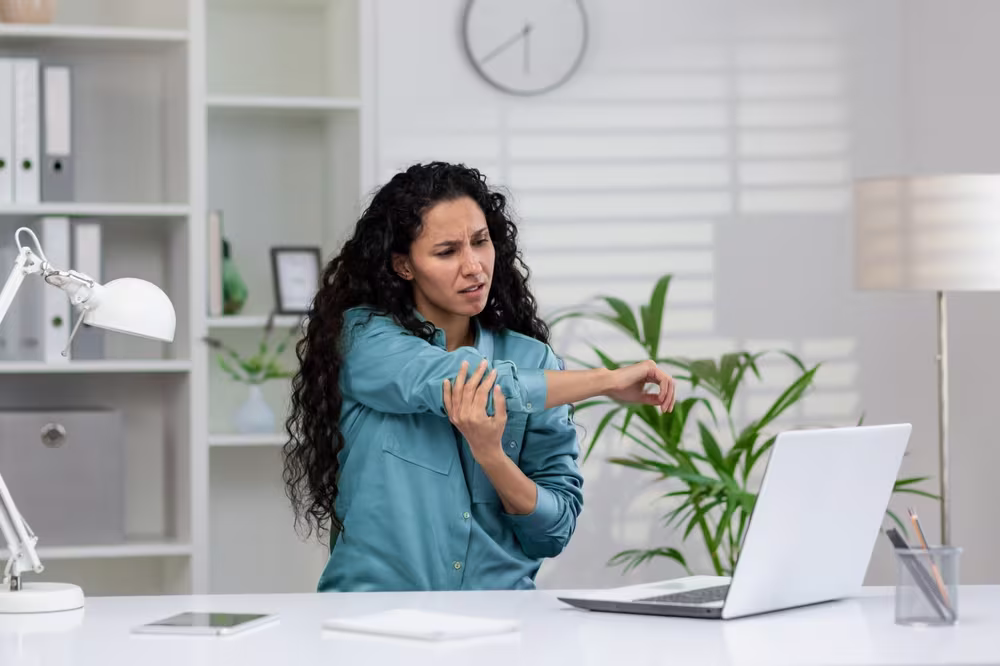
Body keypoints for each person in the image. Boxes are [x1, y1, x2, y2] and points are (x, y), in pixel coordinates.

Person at [282, 162, 676, 592]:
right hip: (372, 620)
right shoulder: (364, 338)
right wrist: (606, 381)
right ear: (403, 266)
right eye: (447, 251)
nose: (474, 267)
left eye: (480, 241)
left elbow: (552, 532)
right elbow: (465, 381)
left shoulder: (533, 359)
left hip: (503, 625)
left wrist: (492, 456)